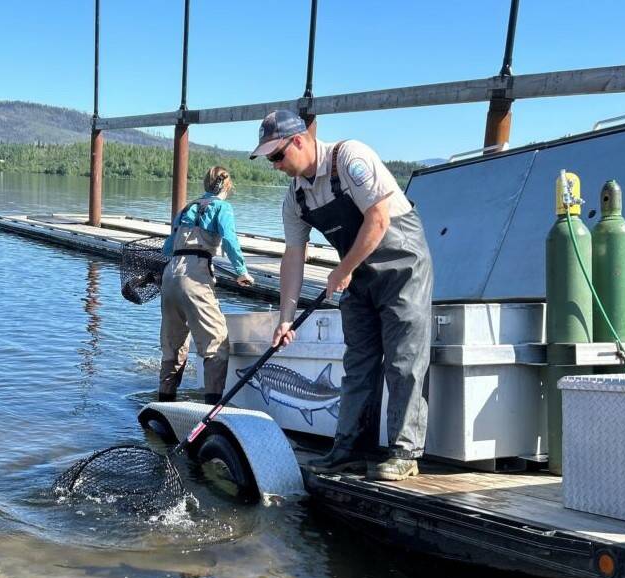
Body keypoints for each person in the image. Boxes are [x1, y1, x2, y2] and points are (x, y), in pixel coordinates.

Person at [250, 110, 433, 481]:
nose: (275, 165)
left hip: (403, 265)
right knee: (358, 364)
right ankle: (348, 449)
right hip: (357, 274)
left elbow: (378, 219)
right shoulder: (296, 198)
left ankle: (405, 452)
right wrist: (286, 316)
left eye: (277, 156)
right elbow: (293, 256)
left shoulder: (350, 158)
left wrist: (343, 269)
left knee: (403, 360)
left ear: (299, 140)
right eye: (269, 159)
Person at [158, 166, 254, 405]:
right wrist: (241, 271)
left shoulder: (185, 209)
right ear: (227, 186)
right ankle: (211, 410)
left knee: (173, 346)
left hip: (169, 277)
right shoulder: (222, 208)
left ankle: (164, 404)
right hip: (194, 278)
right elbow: (230, 240)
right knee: (217, 344)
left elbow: (167, 248)